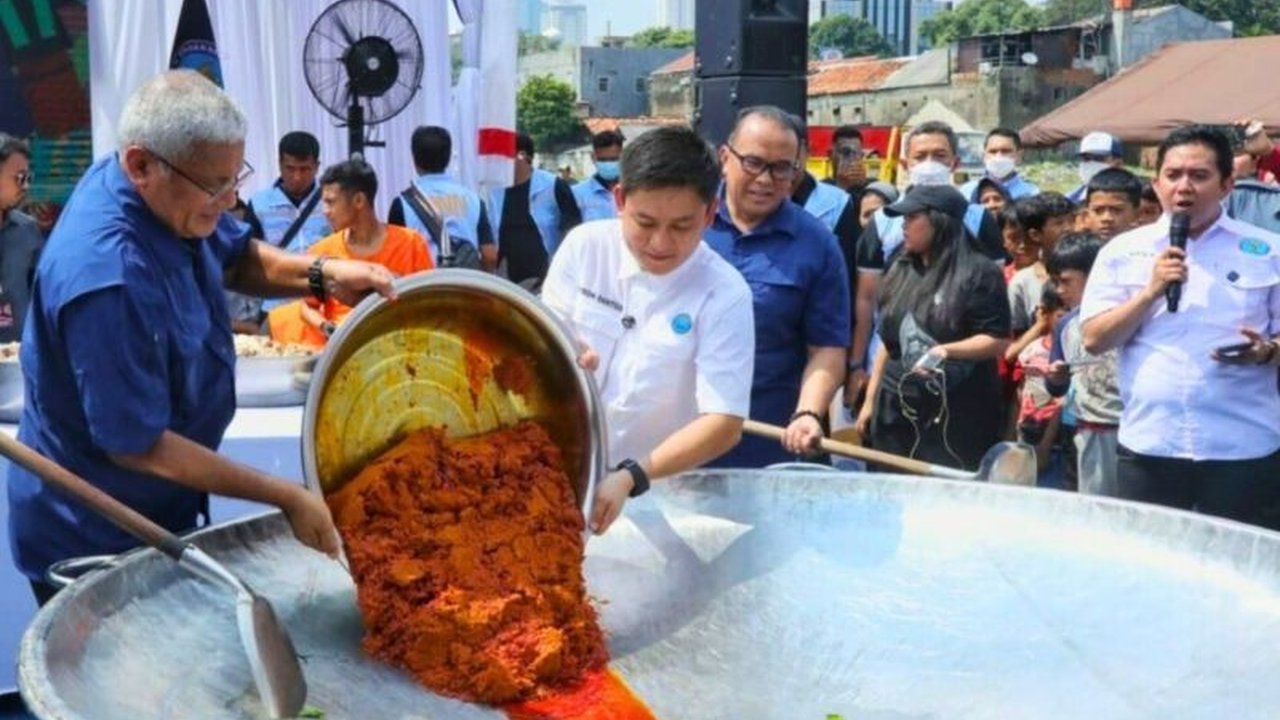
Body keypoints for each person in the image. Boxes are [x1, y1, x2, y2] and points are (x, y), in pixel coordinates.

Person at [6, 71, 395, 605]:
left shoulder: (164, 195)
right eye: (216, 185)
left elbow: (234, 255)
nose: (230, 200)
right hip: (95, 531)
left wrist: (323, 273)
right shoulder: (105, 277)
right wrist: (283, 494)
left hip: (161, 508)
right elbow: (135, 444)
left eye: (236, 179)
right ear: (141, 165)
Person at [542, 126, 754, 533]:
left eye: (681, 227)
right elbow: (548, 341)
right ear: (620, 200)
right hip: (560, 477)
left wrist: (631, 477)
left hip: (657, 497)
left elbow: (723, 422)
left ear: (709, 214)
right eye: (645, 222)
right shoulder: (584, 249)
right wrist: (565, 351)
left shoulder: (724, 293)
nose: (660, 243)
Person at [1081, 124, 1280, 529]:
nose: (1183, 187)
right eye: (1173, 175)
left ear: (1227, 184)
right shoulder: (1122, 252)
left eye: (1199, 176)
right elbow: (1094, 340)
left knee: (1239, 569)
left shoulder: (1267, 251)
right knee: (1149, 568)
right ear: (1155, 184)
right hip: (1151, 444)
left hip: (1241, 446)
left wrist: (1267, 351)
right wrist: (1150, 292)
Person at [702, 106, 851, 467]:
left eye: (782, 168)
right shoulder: (687, 224)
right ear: (725, 158)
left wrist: (809, 413)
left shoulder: (816, 244)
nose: (766, 179)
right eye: (753, 163)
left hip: (767, 437)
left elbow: (827, 349)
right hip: (680, 431)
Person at [854, 185, 1010, 470]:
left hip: (958, 414)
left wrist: (944, 351)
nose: (903, 225)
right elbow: (890, 345)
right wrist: (871, 401)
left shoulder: (979, 272)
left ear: (939, 221)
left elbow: (997, 340)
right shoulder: (899, 268)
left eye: (911, 217)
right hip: (895, 409)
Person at [852, 121, 1004, 408]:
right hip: (891, 363)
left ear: (955, 162)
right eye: (921, 157)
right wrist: (856, 364)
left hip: (961, 374)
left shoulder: (978, 219)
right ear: (904, 163)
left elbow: (993, 304)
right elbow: (867, 298)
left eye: (940, 156)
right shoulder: (885, 220)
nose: (930, 164)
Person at [273, 160, 433, 347]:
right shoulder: (322, 252)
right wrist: (328, 328)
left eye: (331, 202)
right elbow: (308, 306)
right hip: (344, 351)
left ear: (358, 201)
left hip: (398, 349)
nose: (325, 211)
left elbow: (428, 305)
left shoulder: (411, 243)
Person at [229, 131, 331, 333]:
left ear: (317, 167)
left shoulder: (330, 201)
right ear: (279, 164)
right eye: (290, 168)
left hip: (324, 306)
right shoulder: (259, 203)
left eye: (305, 169)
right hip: (276, 308)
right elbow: (250, 259)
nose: (297, 176)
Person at [1044, 232, 1120, 496]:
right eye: (1055, 282)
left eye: (1066, 281)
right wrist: (1055, 378)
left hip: (1127, 429)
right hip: (1087, 429)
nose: (1059, 290)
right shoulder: (1067, 325)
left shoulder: (1127, 317)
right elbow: (1057, 386)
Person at [387, 125, 497, 270]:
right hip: (465, 287)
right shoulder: (474, 201)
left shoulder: (402, 204)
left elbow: (395, 256)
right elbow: (490, 256)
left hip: (423, 288)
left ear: (414, 157)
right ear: (449, 156)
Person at [490, 132, 582, 288]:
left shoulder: (553, 186)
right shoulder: (492, 189)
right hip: (503, 279)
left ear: (522, 156)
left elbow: (572, 229)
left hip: (546, 278)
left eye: (505, 156)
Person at [1007, 192, 1075, 336]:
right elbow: (1014, 339)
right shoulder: (1022, 282)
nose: (1069, 228)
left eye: (1071, 220)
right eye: (1059, 223)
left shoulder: (1091, 269)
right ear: (1035, 235)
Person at [0, 134, 43, 344]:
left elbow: (39, 295)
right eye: (19, 177)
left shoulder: (27, 230)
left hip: (17, 359)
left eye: (28, 178)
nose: (25, 186)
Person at [958, 127, 1040, 203]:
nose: (999, 157)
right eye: (993, 151)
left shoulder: (1032, 194)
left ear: (1019, 156)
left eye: (1005, 151)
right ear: (984, 156)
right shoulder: (967, 192)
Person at [571, 130, 624, 221]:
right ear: (593, 158)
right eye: (603, 160)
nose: (609, 164)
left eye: (614, 159)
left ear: (623, 156)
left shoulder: (633, 191)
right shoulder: (577, 194)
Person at [1082, 167, 1142, 241]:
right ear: (1086, 215)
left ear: (1136, 214)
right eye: (1098, 210)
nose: (1106, 218)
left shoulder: (1151, 250)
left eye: (1117, 210)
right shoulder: (1073, 250)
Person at [1067, 131, 1125, 205]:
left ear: (1118, 163)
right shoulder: (1070, 200)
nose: (1091, 163)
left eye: (1098, 158)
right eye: (1086, 158)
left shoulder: (1135, 197)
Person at [824, 124, 869, 199]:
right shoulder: (820, 189)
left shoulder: (872, 188)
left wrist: (863, 187)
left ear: (862, 156)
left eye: (855, 153)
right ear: (831, 155)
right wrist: (841, 187)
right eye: (846, 153)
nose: (851, 158)